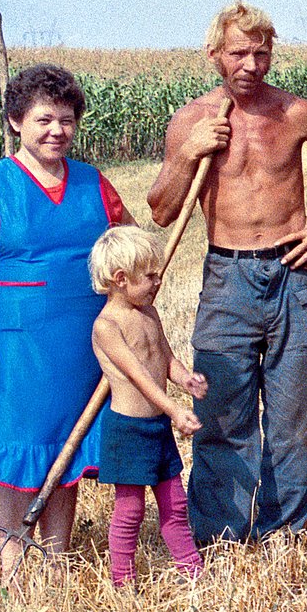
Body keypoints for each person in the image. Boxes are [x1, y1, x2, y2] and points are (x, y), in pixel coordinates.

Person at [149, 0, 307, 548]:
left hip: (293, 277)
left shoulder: (295, 113)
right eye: (238, 53)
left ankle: (285, 532)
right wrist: (188, 156)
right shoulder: (192, 120)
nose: (251, 64)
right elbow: (159, 210)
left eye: (261, 53)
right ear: (214, 55)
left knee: (295, 414)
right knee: (222, 410)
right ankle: (221, 534)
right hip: (227, 277)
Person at [0, 63, 134, 585]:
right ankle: (13, 566)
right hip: (17, 344)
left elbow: (130, 243)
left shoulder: (94, 183)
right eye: (43, 119)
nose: (57, 130)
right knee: (18, 450)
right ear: (15, 123)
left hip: (83, 341)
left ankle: (56, 563)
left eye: (67, 120)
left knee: (65, 444)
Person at [87, 224, 208, 587]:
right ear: (121, 279)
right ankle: (122, 582)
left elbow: (163, 358)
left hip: (157, 428)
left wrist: (185, 379)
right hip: (128, 431)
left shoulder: (148, 312)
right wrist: (174, 410)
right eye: (150, 276)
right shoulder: (107, 326)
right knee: (130, 511)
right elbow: (139, 376)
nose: (158, 282)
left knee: (174, 504)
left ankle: (192, 572)